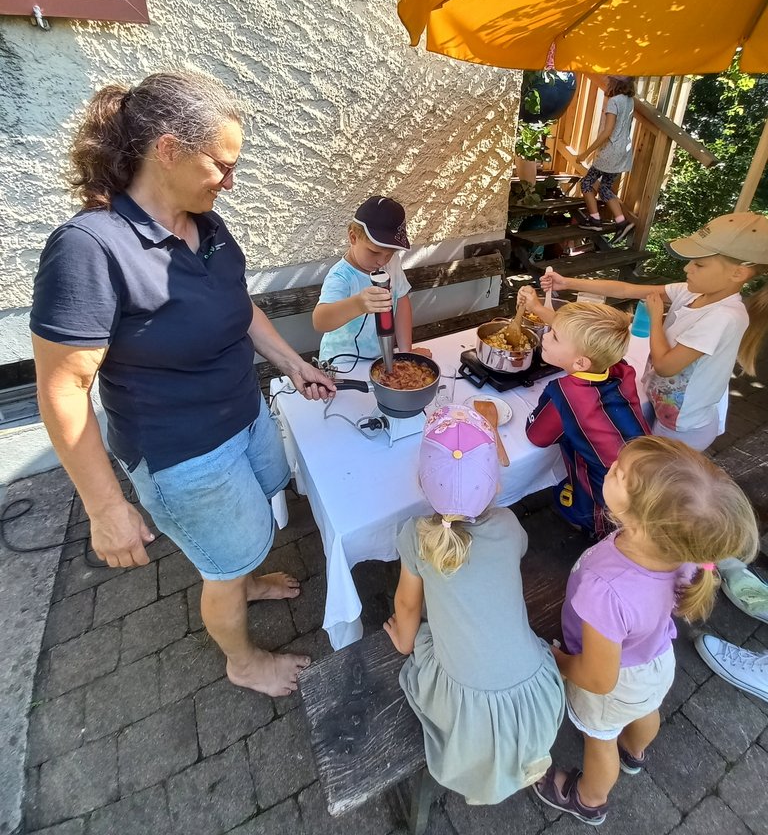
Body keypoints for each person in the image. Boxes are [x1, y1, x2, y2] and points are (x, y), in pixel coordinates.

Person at [30, 72, 335, 698]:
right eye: (221, 165)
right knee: (223, 561)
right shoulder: (90, 248)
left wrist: (291, 363)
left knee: (254, 523)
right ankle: (242, 660)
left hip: (243, 413)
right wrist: (105, 508)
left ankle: (245, 577)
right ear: (167, 150)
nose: (230, 181)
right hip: (183, 454)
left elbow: (237, 305)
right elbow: (63, 390)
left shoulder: (207, 225)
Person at [535, 436, 760, 826]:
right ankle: (635, 752)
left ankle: (589, 799)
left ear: (644, 522)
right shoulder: (681, 553)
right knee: (645, 709)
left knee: (600, 739)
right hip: (654, 662)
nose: (611, 466)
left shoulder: (606, 589)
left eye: (620, 473)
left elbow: (599, 678)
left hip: (614, 680)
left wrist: (559, 661)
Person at [383, 404, 565, 806]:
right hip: (534, 699)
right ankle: (523, 753)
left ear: (421, 481)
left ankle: (497, 760)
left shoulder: (416, 535)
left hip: (468, 715)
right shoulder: (509, 525)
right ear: (496, 485)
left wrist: (404, 642)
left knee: (429, 637)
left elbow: (407, 606)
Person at [541, 212, 768, 452]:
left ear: (738, 273)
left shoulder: (724, 317)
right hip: (663, 406)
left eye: (699, 264)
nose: (687, 267)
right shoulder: (691, 292)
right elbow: (627, 290)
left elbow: (665, 366)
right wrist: (568, 283)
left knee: (649, 468)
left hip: (682, 427)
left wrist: (655, 319)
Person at [522, 299, 648, 538]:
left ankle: (589, 529)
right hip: (643, 472)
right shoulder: (621, 368)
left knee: (597, 518)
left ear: (580, 362)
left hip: (605, 494)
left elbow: (537, 436)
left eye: (554, 337)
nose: (545, 336)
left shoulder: (565, 394)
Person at [312, 196, 431, 365]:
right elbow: (320, 321)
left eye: (390, 253)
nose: (382, 261)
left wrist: (406, 352)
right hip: (340, 364)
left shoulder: (392, 264)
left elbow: (401, 300)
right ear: (353, 237)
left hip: (381, 358)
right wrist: (359, 304)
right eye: (374, 252)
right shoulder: (341, 276)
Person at [577, 75, 636, 242]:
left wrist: (586, 153)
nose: (607, 82)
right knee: (605, 188)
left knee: (586, 183)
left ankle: (595, 220)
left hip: (611, 151)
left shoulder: (614, 101)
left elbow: (607, 131)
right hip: (623, 151)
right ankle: (622, 223)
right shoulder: (630, 101)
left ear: (614, 83)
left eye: (609, 81)